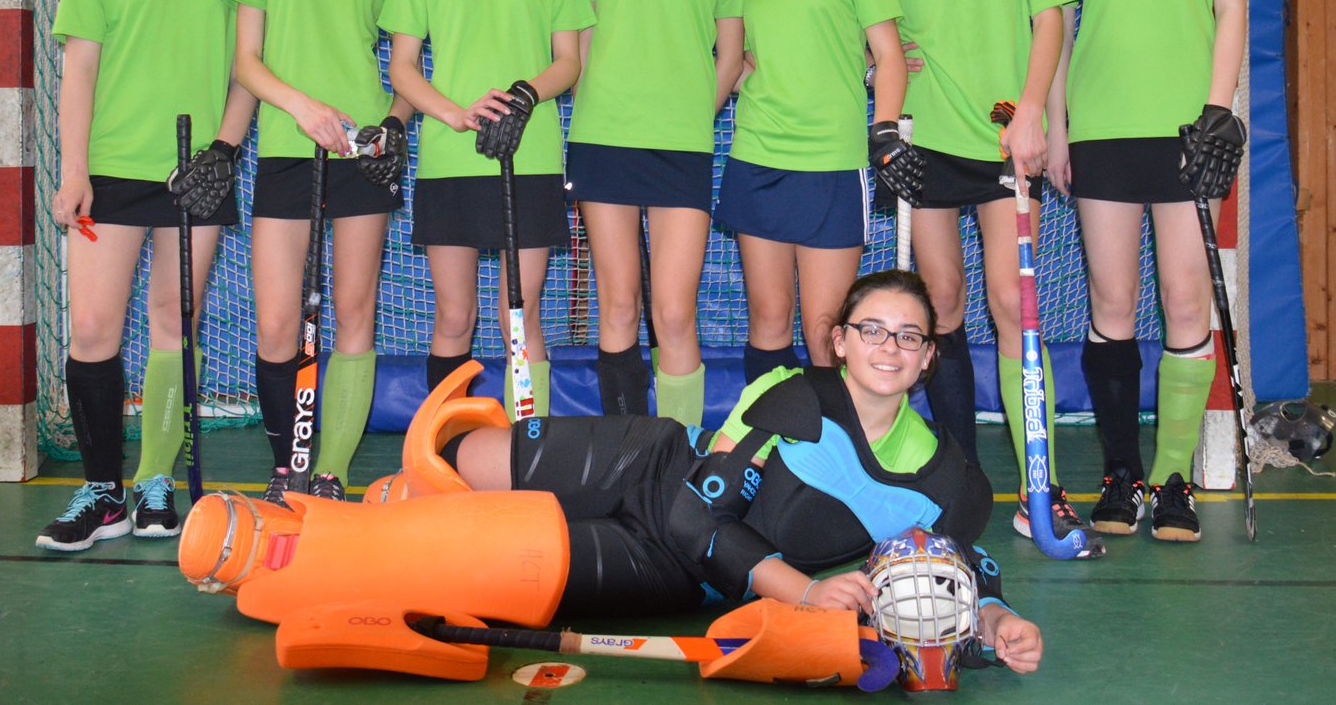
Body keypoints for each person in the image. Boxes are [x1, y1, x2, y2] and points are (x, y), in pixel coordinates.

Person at [436, 269, 1043, 675]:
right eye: (872, 330)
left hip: (675, 568)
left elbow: (964, 571)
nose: (889, 347)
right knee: (452, 460)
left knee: (485, 567)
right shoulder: (793, 394)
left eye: (908, 336)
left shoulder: (946, 480)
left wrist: (1000, 622)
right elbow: (695, 511)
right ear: (840, 341)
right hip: (645, 461)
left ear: (929, 354)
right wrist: (807, 593)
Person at [853, 0, 1083, 541]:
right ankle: (962, 475)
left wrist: (1033, 111)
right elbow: (858, 18)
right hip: (924, 138)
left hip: (1002, 133)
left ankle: (1041, 483)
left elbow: (1050, 18)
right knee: (942, 302)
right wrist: (880, 61)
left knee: (1014, 304)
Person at [1048, 0, 1268, 541]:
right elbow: (1057, 24)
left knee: (1184, 300)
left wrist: (1216, 111)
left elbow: (1231, 7)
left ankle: (1173, 480)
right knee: (1111, 303)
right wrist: (1058, 125)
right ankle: (1121, 475)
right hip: (1101, 126)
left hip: (1186, 133)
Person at [39, 0, 256, 550]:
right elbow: (79, 66)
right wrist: (73, 169)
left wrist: (224, 151)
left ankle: (155, 480)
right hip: (112, 171)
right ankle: (102, 491)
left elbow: (247, 71)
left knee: (174, 323)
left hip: (199, 173)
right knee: (93, 327)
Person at [225, 0, 410, 504]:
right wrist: (301, 107)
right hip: (286, 149)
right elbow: (246, 60)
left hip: (363, 156)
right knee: (278, 323)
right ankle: (287, 467)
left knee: (354, 313)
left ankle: (330, 473)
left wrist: (393, 124)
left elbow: (405, 71)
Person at [381, 0, 593, 416]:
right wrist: (455, 115)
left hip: (529, 157)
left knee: (518, 316)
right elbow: (402, 69)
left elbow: (568, 61)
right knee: (454, 315)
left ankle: (530, 450)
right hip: (451, 159)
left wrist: (524, 95)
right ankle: (445, 448)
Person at [565, 0, 747, 425]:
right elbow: (579, 47)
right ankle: (625, 453)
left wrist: (696, 114)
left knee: (673, 312)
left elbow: (732, 51)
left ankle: (682, 454)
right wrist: (606, 106)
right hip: (604, 140)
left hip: (682, 145)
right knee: (618, 305)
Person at [719, 0, 917, 377]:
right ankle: (770, 430)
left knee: (826, 331)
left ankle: (833, 433)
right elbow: (736, 60)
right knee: (768, 319)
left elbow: (890, 56)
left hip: (832, 164)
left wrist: (884, 133)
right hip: (758, 157)